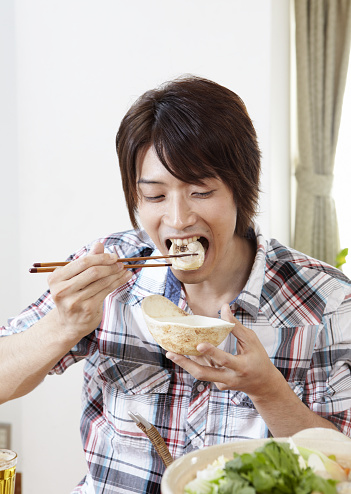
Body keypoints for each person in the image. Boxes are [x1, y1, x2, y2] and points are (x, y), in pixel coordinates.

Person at [1, 75, 351, 493]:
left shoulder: (327, 302)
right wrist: (62, 326)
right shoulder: (108, 270)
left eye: (201, 191)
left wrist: (268, 390)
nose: (179, 218)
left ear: (242, 190)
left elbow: (343, 464)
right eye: (154, 196)